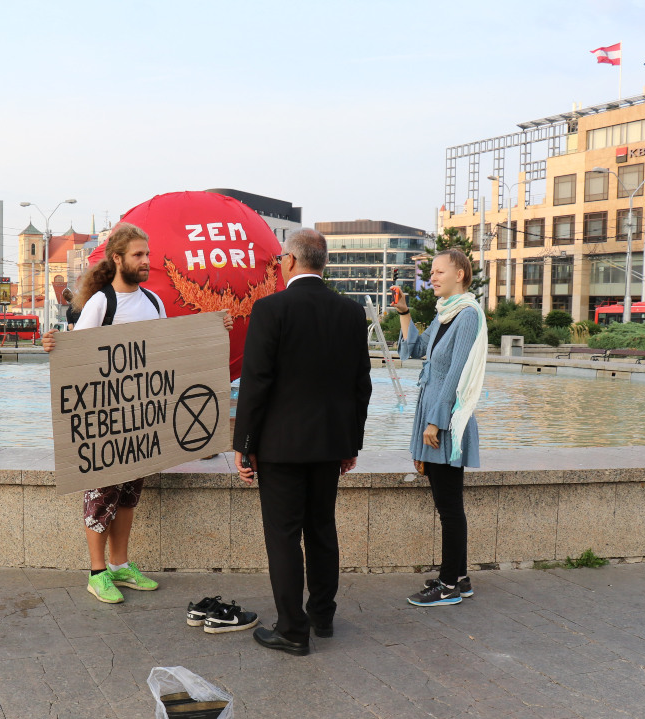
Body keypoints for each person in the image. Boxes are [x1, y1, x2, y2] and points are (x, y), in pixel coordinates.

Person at [42, 222, 233, 604]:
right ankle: (97, 573)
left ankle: (120, 565)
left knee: (129, 494)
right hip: (105, 419)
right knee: (100, 495)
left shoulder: (154, 302)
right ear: (117, 259)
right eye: (139, 255)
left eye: (147, 254)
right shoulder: (101, 303)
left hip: (142, 420)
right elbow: (76, 355)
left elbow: (168, 350)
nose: (147, 261)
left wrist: (213, 328)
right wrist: (54, 344)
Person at [233, 228, 372, 656]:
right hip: (330, 444)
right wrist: (351, 443)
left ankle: (293, 630)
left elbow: (256, 382)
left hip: (280, 446)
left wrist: (244, 443)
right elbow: (360, 385)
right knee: (322, 529)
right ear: (322, 263)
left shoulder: (270, 309)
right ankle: (323, 617)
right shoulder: (350, 312)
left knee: (284, 536)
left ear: (289, 262)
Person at [391, 249, 487, 608]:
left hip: (447, 419)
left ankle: (447, 587)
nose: (431, 277)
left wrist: (436, 421)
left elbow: (458, 373)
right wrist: (404, 312)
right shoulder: (445, 314)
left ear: (460, 274)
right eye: (431, 272)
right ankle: (459, 578)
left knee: (449, 506)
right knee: (448, 503)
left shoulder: (467, 316)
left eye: (438, 271)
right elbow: (413, 351)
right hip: (434, 415)